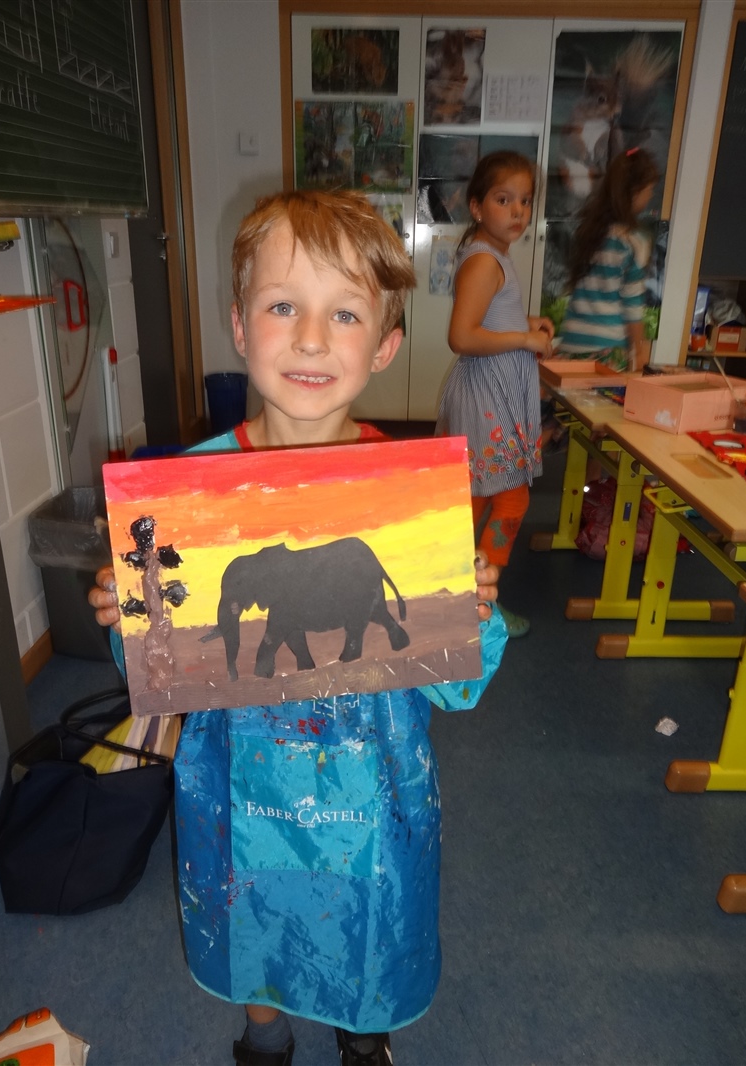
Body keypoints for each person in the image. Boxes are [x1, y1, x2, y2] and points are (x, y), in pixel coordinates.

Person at [89, 189, 506, 1066]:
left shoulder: (410, 498)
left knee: (366, 913)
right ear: (239, 325)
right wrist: (123, 616)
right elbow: (158, 669)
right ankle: (265, 1034)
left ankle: (363, 1034)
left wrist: (475, 611)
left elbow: (457, 687)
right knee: (251, 905)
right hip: (239, 781)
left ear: (385, 344)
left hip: (373, 782)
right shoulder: (184, 496)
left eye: (344, 313)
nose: (311, 338)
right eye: (283, 306)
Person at [436, 151, 554, 638]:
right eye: (504, 200)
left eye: (524, 201)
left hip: (492, 393)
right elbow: (462, 336)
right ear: (477, 206)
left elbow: (487, 318)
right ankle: (479, 600)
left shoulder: (492, 253)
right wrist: (525, 338)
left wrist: (526, 322)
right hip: (487, 397)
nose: (517, 211)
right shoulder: (485, 260)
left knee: (481, 495)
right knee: (508, 500)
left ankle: (458, 592)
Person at [558, 146, 659, 373]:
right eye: (650, 189)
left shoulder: (589, 231)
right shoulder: (634, 241)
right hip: (606, 351)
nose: (651, 195)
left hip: (571, 345)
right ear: (635, 192)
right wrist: (639, 350)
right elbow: (632, 304)